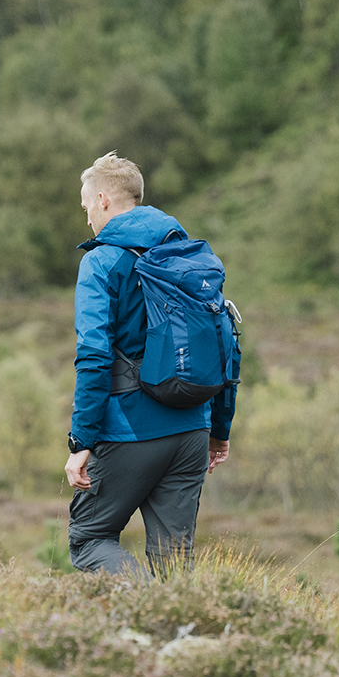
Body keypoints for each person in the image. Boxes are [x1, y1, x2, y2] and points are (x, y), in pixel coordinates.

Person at [63, 152, 234, 576]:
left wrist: (80, 441)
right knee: (175, 561)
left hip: (130, 429)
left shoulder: (101, 261)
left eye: (86, 207)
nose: (87, 220)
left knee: (89, 540)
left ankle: (139, 611)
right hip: (192, 429)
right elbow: (224, 342)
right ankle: (177, 635)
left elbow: (94, 355)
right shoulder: (191, 257)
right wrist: (219, 430)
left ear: (102, 199)